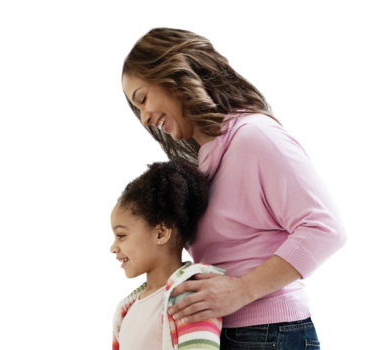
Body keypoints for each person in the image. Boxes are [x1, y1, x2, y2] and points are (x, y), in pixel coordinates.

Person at [118, 26, 348, 349]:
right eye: (136, 109)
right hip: (229, 332)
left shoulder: (255, 137)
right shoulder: (208, 162)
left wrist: (241, 290)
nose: (143, 118)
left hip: (270, 334)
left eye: (143, 99)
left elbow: (327, 228)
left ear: (174, 75)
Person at [110, 157, 227, 349]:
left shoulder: (191, 299)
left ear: (160, 233)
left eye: (121, 235)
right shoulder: (126, 308)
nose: (113, 247)